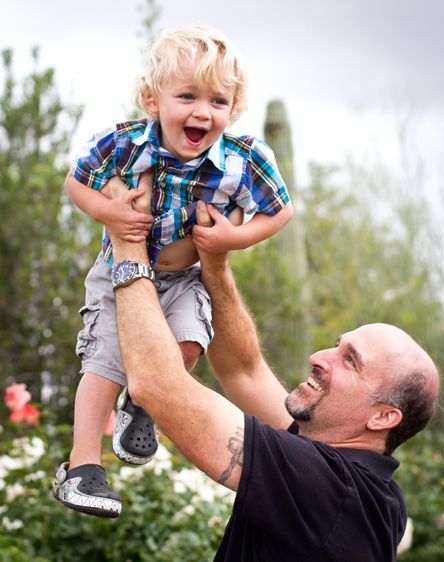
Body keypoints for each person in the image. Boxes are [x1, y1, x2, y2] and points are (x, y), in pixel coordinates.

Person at [90, 186, 438, 560]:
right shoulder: (360, 485)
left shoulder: (333, 492)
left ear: (383, 416)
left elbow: (158, 386)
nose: (319, 357)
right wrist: (214, 263)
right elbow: (245, 370)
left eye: (350, 361)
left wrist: (126, 238)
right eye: (336, 345)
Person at [52, 25, 293, 518]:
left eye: (218, 101)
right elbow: (76, 183)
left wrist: (232, 240)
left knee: (189, 340)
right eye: (187, 96)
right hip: (116, 271)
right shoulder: (122, 144)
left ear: (234, 108)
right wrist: (110, 213)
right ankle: (81, 467)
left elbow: (280, 210)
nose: (203, 112)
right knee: (104, 359)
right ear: (152, 98)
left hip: (185, 278)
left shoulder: (243, 161)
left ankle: (141, 407)